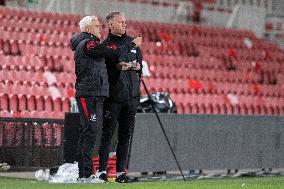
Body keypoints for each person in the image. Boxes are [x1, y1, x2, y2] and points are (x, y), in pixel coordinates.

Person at [70, 15, 142, 182]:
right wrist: (130, 45)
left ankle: (85, 174)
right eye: (96, 26)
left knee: (88, 133)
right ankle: (87, 174)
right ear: (88, 29)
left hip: (94, 94)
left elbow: (108, 56)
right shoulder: (89, 43)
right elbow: (109, 52)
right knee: (90, 133)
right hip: (89, 94)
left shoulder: (88, 43)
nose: (99, 29)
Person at [97, 11, 143, 183]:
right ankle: (101, 172)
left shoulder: (132, 44)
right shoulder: (107, 45)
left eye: (125, 21)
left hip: (131, 98)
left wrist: (137, 67)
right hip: (114, 98)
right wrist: (118, 67)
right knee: (107, 135)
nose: (124, 24)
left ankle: (120, 174)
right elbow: (108, 68)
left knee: (125, 136)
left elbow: (140, 68)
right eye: (120, 22)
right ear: (110, 25)